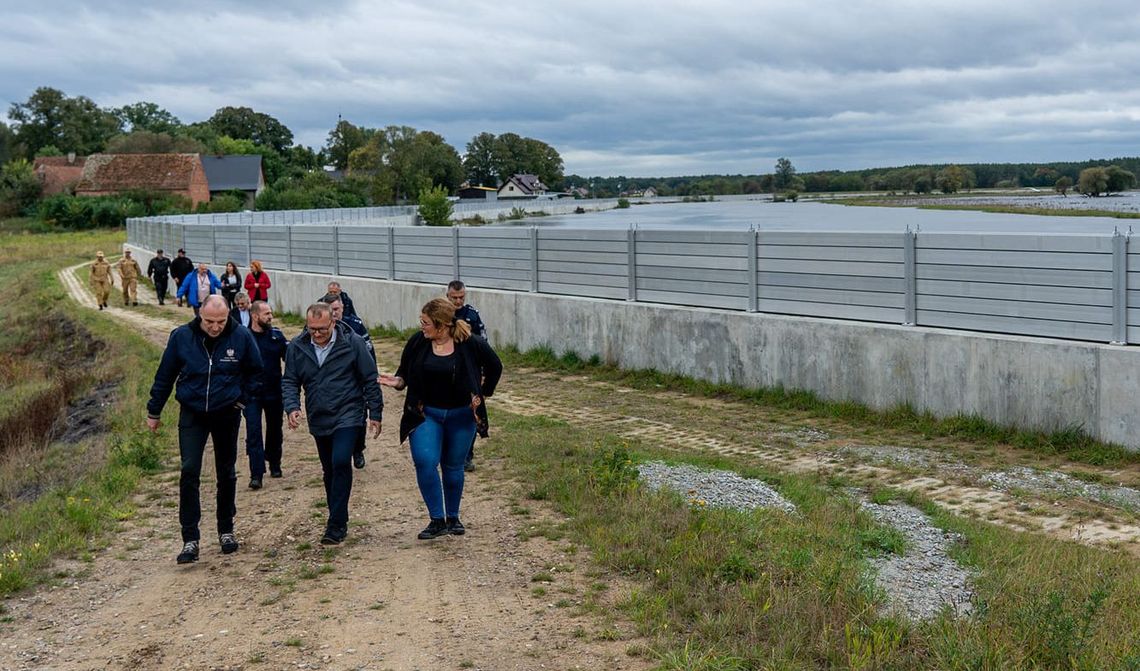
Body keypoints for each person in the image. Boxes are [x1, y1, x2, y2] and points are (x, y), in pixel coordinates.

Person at [146, 295, 263, 564]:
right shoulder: (181, 337)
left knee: (226, 470)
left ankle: (226, 530)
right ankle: (190, 538)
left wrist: (242, 400)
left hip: (226, 411)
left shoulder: (241, 336)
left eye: (221, 321)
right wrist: (155, 410)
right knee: (189, 470)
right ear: (200, 314)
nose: (215, 327)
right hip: (193, 412)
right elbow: (165, 375)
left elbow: (256, 373)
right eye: (209, 321)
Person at [379, 297, 501, 540]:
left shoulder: (470, 343)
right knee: (425, 461)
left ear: (441, 325)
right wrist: (397, 382)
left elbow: (495, 366)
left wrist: (482, 393)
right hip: (426, 414)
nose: (421, 326)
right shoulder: (418, 342)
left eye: (425, 322)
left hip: (461, 416)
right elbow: (403, 373)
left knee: (453, 466)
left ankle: (453, 517)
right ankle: (436, 519)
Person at [282, 303, 382, 545]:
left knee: (340, 461)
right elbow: (290, 381)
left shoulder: (352, 342)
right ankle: (338, 515)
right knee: (329, 470)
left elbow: (370, 378)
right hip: (319, 415)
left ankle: (336, 524)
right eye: (312, 329)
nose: (317, 334)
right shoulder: (297, 346)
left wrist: (375, 413)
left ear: (333, 323)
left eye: (322, 329)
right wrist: (292, 407)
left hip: (349, 411)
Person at [320, 293, 373, 469]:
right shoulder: (321, 327)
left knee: (360, 415)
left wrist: (371, 374)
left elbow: (368, 349)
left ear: (342, 307)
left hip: (357, 378)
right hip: (335, 382)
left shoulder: (355, 325)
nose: (334, 313)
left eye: (336, 309)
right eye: (330, 310)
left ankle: (358, 449)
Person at [245, 300, 288, 489]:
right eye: (267, 314)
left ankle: (275, 462)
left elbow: (290, 359)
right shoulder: (243, 337)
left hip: (274, 391)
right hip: (252, 394)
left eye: (270, 314)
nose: (270, 317)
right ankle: (256, 473)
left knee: (274, 429)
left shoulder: (276, 337)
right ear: (255, 316)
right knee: (253, 432)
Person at [447, 280, 488, 471]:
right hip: (446, 371)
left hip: (470, 371)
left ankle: (466, 455)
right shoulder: (441, 314)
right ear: (447, 296)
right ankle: (449, 451)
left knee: (472, 412)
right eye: (454, 297)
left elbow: (484, 345)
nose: (458, 301)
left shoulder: (472, 315)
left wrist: (482, 372)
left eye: (461, 297)